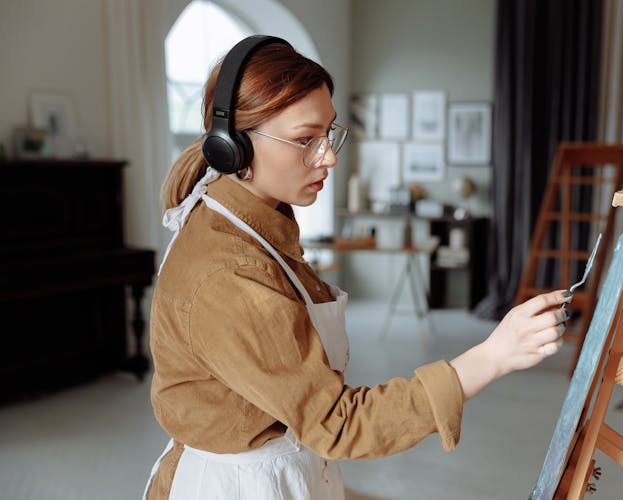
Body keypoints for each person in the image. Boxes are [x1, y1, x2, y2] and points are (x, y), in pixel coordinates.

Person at [143, 35, 571, 500]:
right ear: (234, 147)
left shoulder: (252, 224)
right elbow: (337, 422)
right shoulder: (229, 273)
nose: (328, 156)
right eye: (306, 140)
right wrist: (492, 356)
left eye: (328, 133)